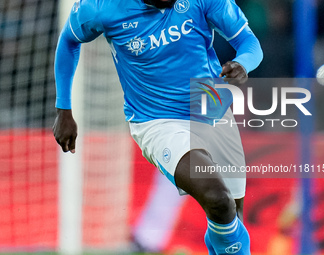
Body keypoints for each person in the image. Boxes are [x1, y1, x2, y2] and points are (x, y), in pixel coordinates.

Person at [53, 0, 263, 254]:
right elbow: (68, 40)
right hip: (157, 122)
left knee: (230, 216)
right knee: (218, 199)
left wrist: (242, 64)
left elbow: (250, 44)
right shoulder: (102, 7)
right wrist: (63, 109)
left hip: (211, 108)